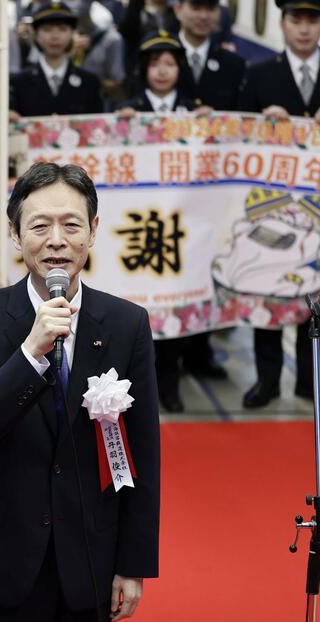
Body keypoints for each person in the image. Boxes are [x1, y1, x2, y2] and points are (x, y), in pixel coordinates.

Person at [0, 162, 160, 621]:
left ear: (94, 230)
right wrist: (29, 353)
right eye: (40, 226)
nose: (57, 240)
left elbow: (142, 451)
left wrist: (133, 564)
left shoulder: (126, 324)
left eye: (71, 225)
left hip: (91, 554)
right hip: (6, 556)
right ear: (16, 234)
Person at [238, 0, 320, 411]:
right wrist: (262, 121)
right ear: (282, 22)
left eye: (313, 20)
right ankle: (267, 379)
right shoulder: (260, 73)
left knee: (317, 295)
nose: (304, 29)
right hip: (270, 208)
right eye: (297, 19)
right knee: (267, 286)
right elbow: (236, 135)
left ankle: (311, 382)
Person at [116, 31, 208, 413]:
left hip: (177, 228)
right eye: (155, 64)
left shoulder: (196, 111)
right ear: (143, 69)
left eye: (169, 64)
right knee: (134, 313)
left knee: (171, 313)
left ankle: (168, 387)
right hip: (136, 224)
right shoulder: (125, 109)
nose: (162, 71)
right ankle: (129, 390)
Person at [9, 1, 103, 120]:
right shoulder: (19, 82)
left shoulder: (89, 82)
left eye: (62, 29)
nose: (55, 36)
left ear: (73, 33)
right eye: (47, 29)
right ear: (35, 34)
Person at [174, 0, 246, 112]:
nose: (203, 16)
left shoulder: (234, 64)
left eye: (211, 9)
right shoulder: (158, 58)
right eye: (196, 8)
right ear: (178, 10)